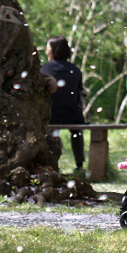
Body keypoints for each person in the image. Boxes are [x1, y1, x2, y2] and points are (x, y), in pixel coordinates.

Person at [40, 36, 87, 176]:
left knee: (49, 130)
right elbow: (79, 91)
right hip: (72, 115)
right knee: (77, 132)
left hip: (50, 115)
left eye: (48, 48)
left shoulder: (44, 69)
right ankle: (79, 164)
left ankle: (49, 164)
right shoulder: (74, 69)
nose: (46, 51)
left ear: (53, 51)